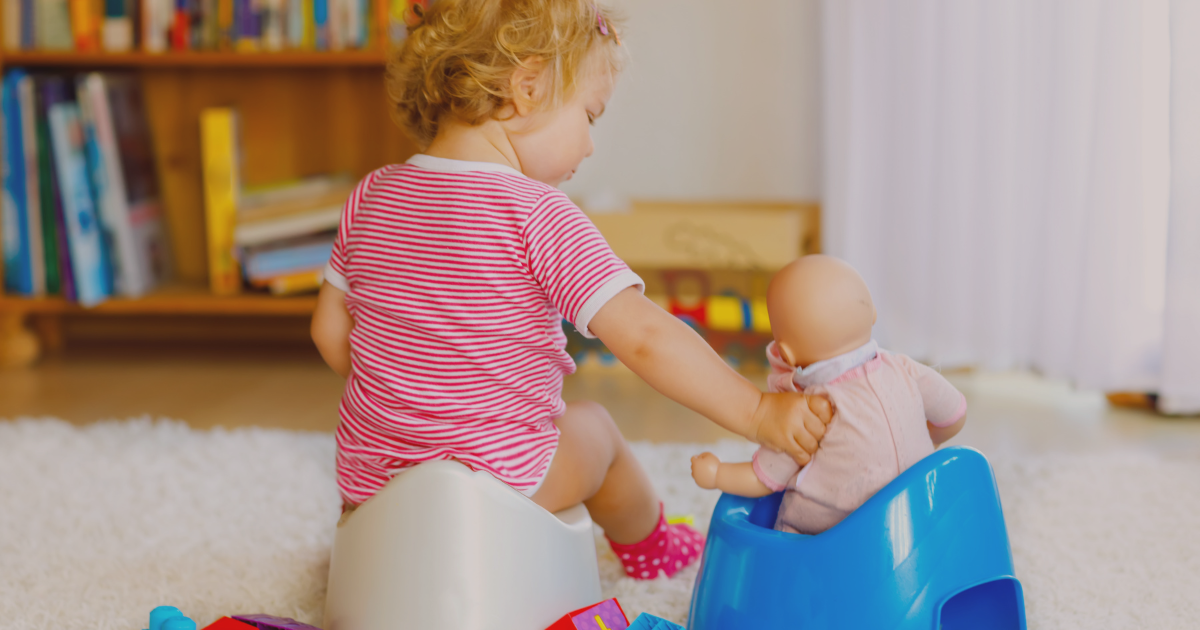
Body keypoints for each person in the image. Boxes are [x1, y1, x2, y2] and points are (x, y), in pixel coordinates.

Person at [310, 0, 831, 579]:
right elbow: (646, 338)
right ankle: (652, 548)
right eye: (590, 115)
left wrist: (416, 393)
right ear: (526, 87)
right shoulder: (540, 214)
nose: (588, 146)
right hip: (501, 483)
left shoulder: (373, 194)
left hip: (371, 487)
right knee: (597, 433)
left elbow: (331, 333)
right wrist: (758, 412)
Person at [690, 255, 968, 534]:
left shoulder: (810, 409)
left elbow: (764, 479)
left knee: (784, 534)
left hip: (831, 540)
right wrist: (926, 443)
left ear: (785, 353)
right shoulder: (907, 369)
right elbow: (954, 415)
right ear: (872, 312)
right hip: (913, 520)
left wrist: (716, 474)